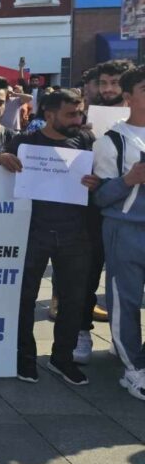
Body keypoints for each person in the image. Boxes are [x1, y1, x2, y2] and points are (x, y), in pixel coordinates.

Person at [0, 90, 98, 385]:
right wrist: (1, 160)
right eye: (71, 114)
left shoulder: (86, 141)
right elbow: (1, 178)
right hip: (33, 230)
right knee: (24, 297)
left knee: (73, 299)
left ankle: (62, 359)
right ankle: (25, 357)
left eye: (80, 113)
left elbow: (101, 180)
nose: (78, 119)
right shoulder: (25, 142)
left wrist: (96, 183)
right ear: (49, 114)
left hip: (75, 232)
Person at [91, 66, 145, 402]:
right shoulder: (112, 140)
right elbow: (99, 197)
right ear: (128, 97)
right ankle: (133, 370)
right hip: (125, 229)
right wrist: (130, 179)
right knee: (124, 300)